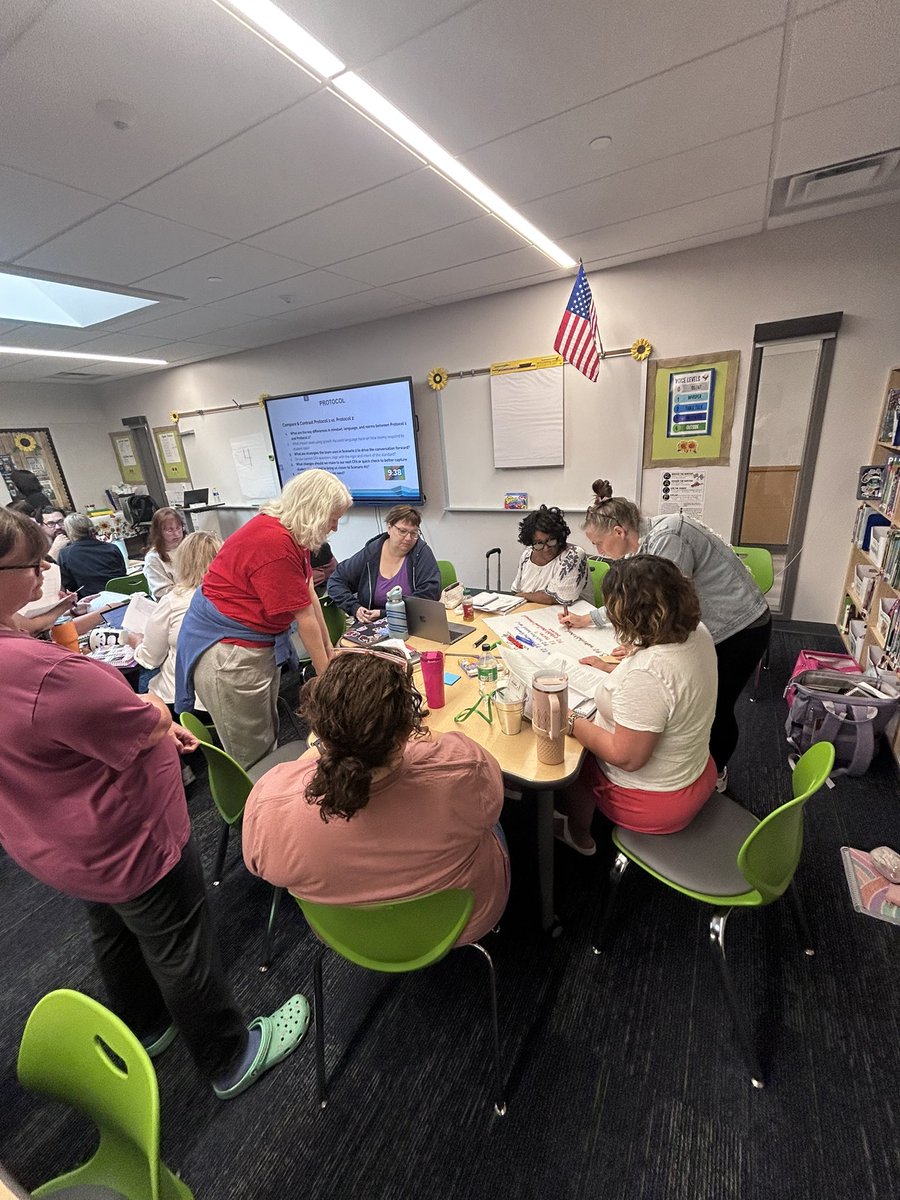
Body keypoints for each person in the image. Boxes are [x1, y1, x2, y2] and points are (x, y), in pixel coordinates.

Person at [0, 509, 309, 1100]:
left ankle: (147, 1027)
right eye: (33, 564)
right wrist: (157, 720)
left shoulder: (21, 657)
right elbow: (144, 714)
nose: (45, 572)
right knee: (179, 940)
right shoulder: (43, 674)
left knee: (113, 929)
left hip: (57, 842)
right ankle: (229, 1056)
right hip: (126, 838)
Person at [243, 646, 509, 944]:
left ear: (319, 729)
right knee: (491, 820)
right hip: (460, 924)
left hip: (347, 935)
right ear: (406, 730)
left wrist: (317, 751)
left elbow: (259, 866)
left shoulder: (270, 803)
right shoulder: (461, 769)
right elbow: (493, 797)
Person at [561, 480, 771, 792]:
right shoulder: (645, 545)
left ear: (619, 531)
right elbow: (638, 601)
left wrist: (636, 648)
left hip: (740, 626)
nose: (599, 552)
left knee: (717, 706)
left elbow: (660, 605)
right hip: (707, 627)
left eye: (599, 543)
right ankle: (691, 768)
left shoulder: (668, 538)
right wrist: (589, 618)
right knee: (694, 702)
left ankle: (713, 775)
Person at [176, 469, 352, 769]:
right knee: (252, 754)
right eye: (332, 518)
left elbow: (309, 594)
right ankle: (256, 812)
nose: (335, 527)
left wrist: (331, 656)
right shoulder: (275, 543)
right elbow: (305, 618)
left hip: (249, 644)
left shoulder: (294, 534)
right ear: (313, 511)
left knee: (264, 735)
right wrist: (329, 682)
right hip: (229, 655)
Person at [556, 556, 718, 854]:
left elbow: (627, 757)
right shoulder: (698, 632)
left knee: (568, 758)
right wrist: (625, 660)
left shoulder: (649, 673)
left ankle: (580, 836)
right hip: (695, 770)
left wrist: (571, 720)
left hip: (655, 800)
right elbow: (670, 686)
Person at [130, 530, 222, 713]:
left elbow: (151, 658)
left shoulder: (174, 601)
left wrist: (137, 643)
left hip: (188, 702)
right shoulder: (238, 595)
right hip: (234, 695)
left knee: (143, 678)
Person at [327, 505, 441, 624]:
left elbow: (428, 595)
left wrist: (385, 613)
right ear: (389, 527)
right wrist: (354, 607)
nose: (408, 538)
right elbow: (336, 580)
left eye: (414, 533)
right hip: (371, 625)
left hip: (412, 623)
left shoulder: (421, 552)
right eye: (402, 531)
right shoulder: (372, 552)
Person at [511, 505, 593, 605]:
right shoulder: (527, 555)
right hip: (533, 612)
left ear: (559, 537)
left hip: (572, 615)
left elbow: (553, 598)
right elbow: (516, 590)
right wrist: (524, 595)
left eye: (551, 541)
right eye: (539, 543)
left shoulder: (574, 555)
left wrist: (524, 595)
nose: (546, 549)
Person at [57, 514, 127, 596]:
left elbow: (69, 586)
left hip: (92, 600)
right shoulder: (112, 548)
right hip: (122, 595)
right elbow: (122, 574)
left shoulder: (65, 554)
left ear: (70, 532)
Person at [142, 506, 186, 599]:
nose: (176, 534)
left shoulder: (189, 546)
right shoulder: (153, 558)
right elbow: (161, 592)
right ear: (159, 533)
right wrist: (190, 590)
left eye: (178, 528)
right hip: (174, 603)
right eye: (170, 530)